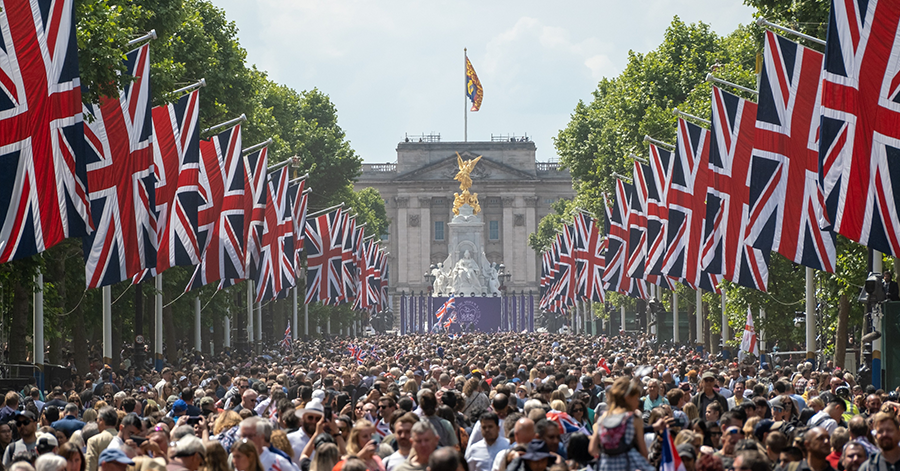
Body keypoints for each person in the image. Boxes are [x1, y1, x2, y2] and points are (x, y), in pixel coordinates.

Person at [589, 377, 654, 471]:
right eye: (636, 398)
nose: (638, 402)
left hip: (605, 466)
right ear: (628, 398)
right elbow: (643, 452)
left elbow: (592, 449)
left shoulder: (604, 417)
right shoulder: (634, 418)